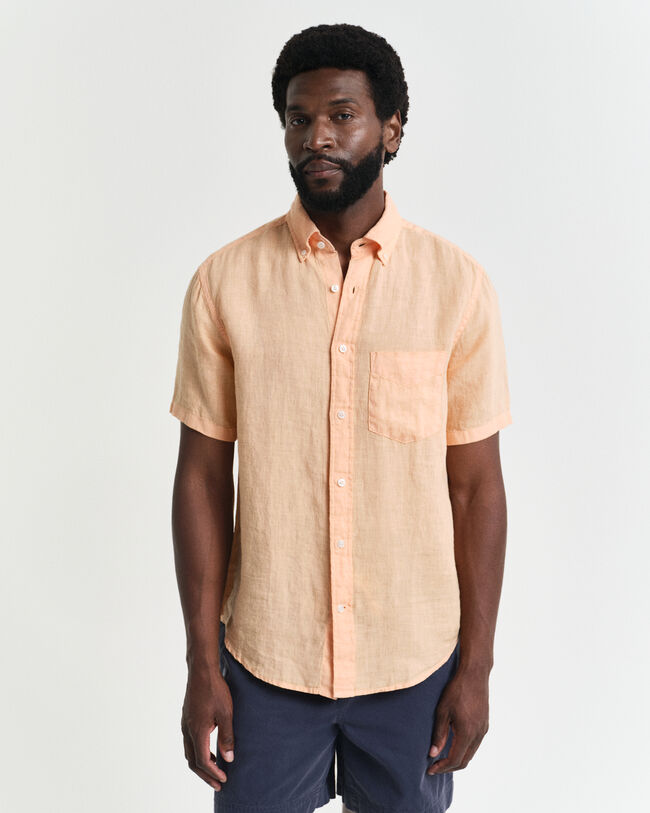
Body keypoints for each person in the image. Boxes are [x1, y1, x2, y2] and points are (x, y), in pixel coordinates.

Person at [169, 22, 513, 813]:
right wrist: (201, 663)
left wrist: (477, 667)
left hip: (413, 666)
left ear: (391, 130)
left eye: (342, 116)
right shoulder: (225, 283)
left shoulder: (456, 287)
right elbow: (202, 479)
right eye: (298, 118)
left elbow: (476, 489)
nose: (316, 137)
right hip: (266, 663)